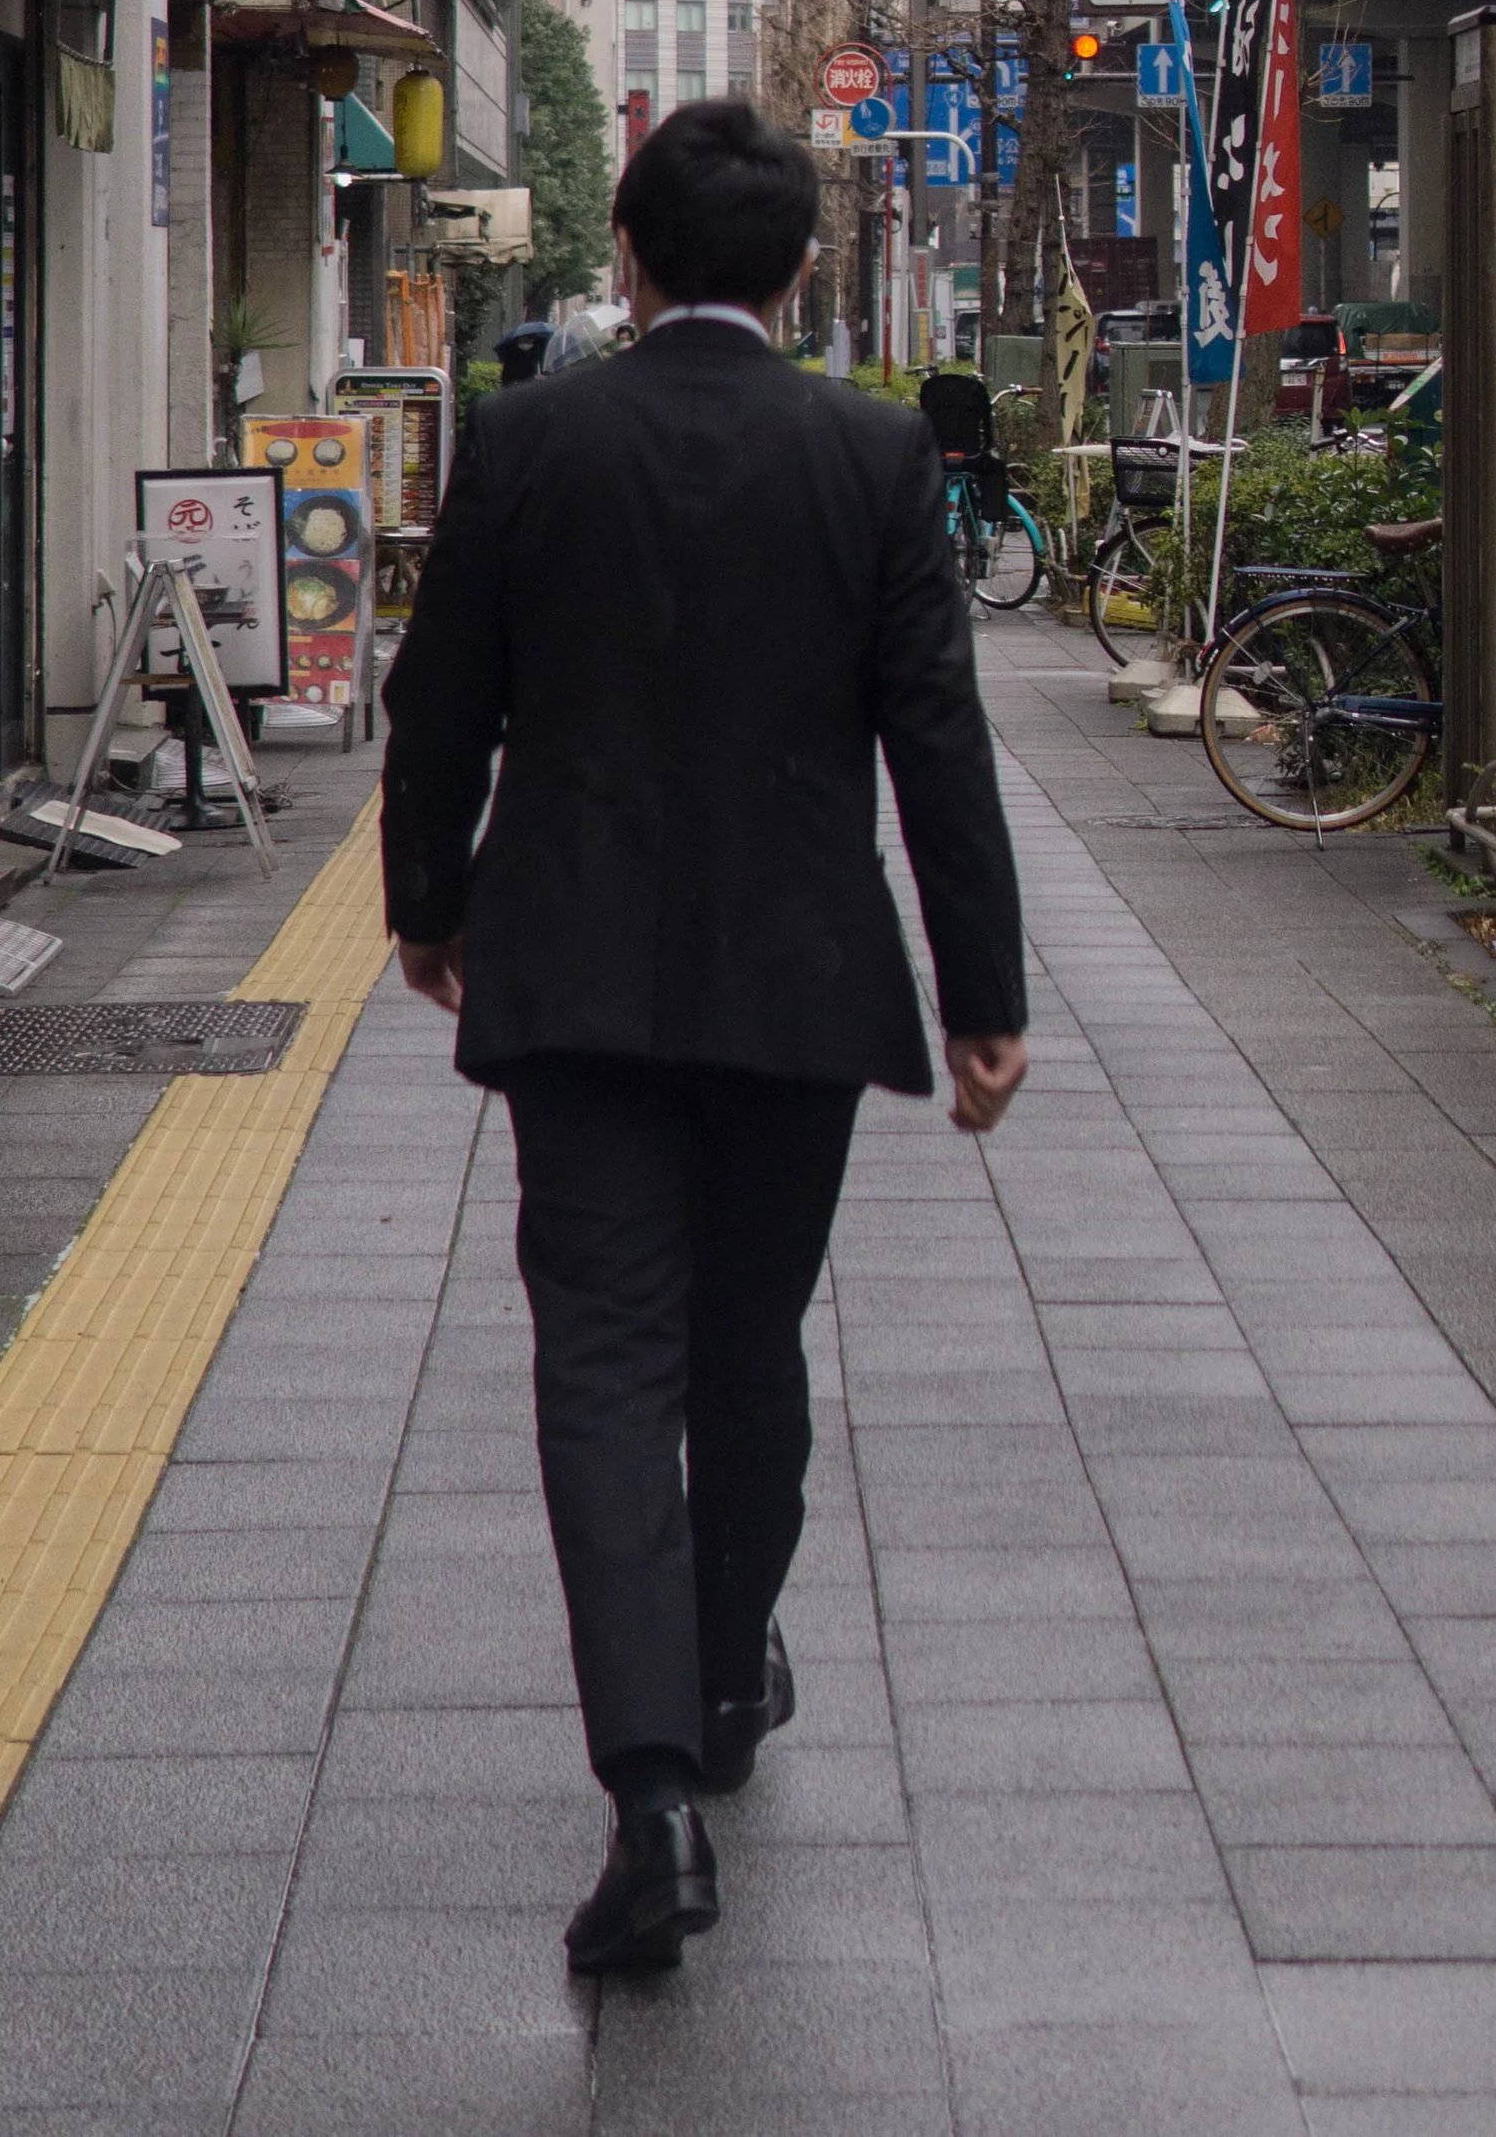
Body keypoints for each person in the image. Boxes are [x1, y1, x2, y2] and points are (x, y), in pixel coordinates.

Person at [379, 101, 1028, 1978]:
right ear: (801, 271)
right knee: (749, 1344)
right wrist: (982, 998)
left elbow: (443, 703)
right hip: (796, 987)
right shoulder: (873, 452)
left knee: (600, 1358)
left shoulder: (527, 440)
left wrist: (434, 905)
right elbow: (939, 740)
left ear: (635, 265)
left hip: (570, 978)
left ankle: (649, 1797)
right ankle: (731, 1677)